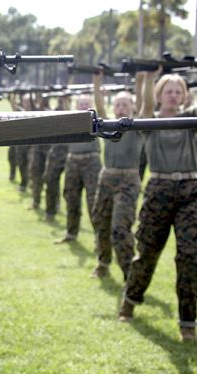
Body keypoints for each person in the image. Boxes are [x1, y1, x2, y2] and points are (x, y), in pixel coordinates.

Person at [119, 73, 197, 343]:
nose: (174, 95)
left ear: (184, 96)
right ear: (159, 94)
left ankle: (188, 322)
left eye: (178, 92)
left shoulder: (192, 119)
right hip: (159, 190)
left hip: (191, 190)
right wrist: (148, 79)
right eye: (168, 91)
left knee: (190, 256)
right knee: (148, 251)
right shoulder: (150, 121)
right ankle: (130, 300)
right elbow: (145, 106)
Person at [89, 72, 145, 279]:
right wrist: (97, 84)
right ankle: (103, 263)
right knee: (100, 222)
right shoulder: (108, 126)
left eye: (126, 104)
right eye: (118, 104)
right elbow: (100, 108)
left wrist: (139, 83)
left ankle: (129, 274)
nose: (121, 107)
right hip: (106, 178)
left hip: (128, 180)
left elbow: (141, 104)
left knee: (119, 227)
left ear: (132, 108)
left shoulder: (137, 127)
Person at [55, 94, 102, 243]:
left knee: (93, 201)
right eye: (80, 104)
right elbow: (65, 110)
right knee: (71, 198)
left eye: (86, 103)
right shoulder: (72, 121)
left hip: (91, 162)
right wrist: (64, 99)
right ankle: (71, 233)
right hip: (73, 162)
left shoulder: (96, 121)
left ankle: (98, 238)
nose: (83, 106)